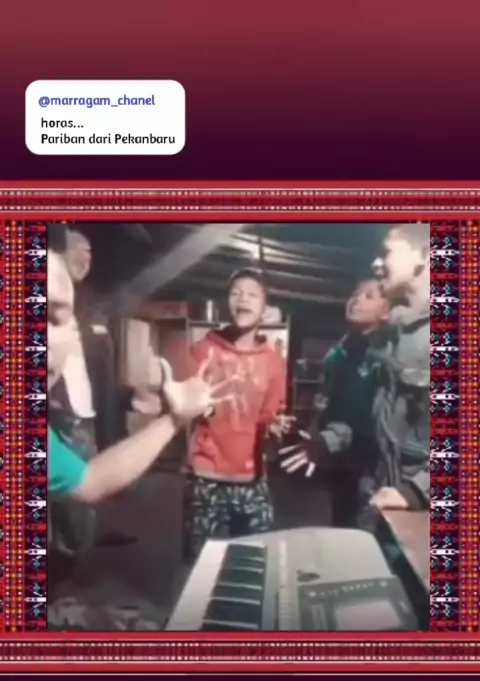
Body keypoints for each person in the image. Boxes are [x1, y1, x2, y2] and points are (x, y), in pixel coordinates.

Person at [48, 231, 228, 505]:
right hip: (68, 423)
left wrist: (169, 416)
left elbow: (89, 482)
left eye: (55, 316)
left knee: (76, 521)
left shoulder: (96, 314)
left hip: (90, 423)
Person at [280, 223, 430, 523]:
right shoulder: (390, 337)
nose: (377, 262)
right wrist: (328, 440)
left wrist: (416, 492)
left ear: (424, 256)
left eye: (387, 253)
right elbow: (367, 420)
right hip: (382, 497)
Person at [182, 267, 291, 561]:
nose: (243, 299)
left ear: (264, 308)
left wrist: (274, 426)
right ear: (225, 303)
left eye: (252, 294)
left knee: (255, 561)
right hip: (206, 475)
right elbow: (185, 404)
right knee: (198, 563)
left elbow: (270, 414)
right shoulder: (202, 350)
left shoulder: (274, 362)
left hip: (251, 478)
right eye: (235, 293)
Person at [281, 279, 392, 526]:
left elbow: (370, 418)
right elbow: (326, 400)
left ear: (386, 311)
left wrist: (331, 438)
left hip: (374, 466)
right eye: (355, 293)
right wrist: (317, 433)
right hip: (341, 462)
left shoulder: (386, 355)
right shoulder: (338, 353)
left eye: (369, 296)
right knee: (343, 525)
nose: (357, 300)